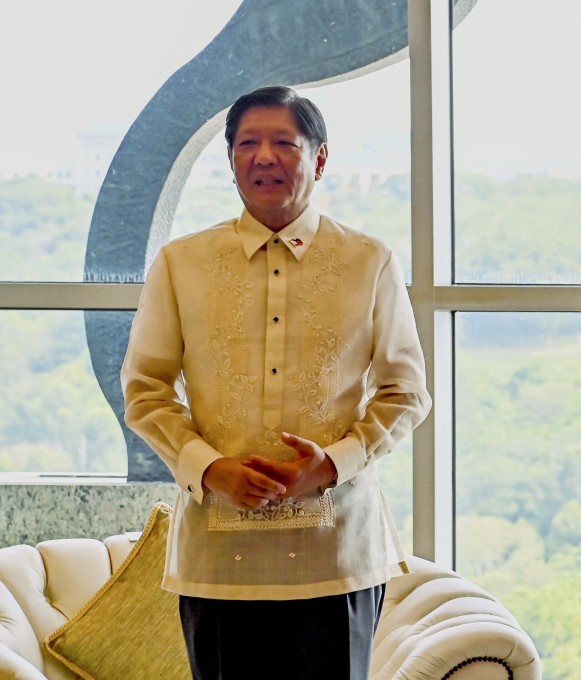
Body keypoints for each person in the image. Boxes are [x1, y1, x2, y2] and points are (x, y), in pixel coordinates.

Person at [121, 85, 431, 679]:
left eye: (283, 142)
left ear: (318, 158)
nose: (264, 156)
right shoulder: (180, 263)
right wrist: (209, 468)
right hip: (217, 559)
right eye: (247, 144)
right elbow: (146, 389)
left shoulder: (369, 260)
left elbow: (405, 391)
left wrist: (334, 462)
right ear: (232, 159)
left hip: (337, 553)